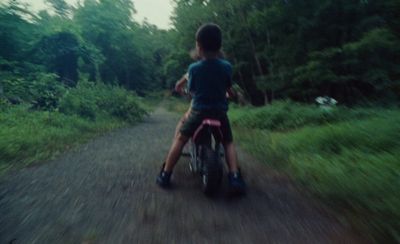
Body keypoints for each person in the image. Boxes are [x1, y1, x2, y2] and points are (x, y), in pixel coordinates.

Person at [157, 23, 246, 194]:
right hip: (220, 113)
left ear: (198, 46)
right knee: (228, 142)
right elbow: (228, 89)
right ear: (220, 46)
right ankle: (234, 176)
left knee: (181, 139)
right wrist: (232, 95)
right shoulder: (227, 67)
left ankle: (166, 174)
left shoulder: (194, 68)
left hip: (198, 112)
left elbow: (192, 90)